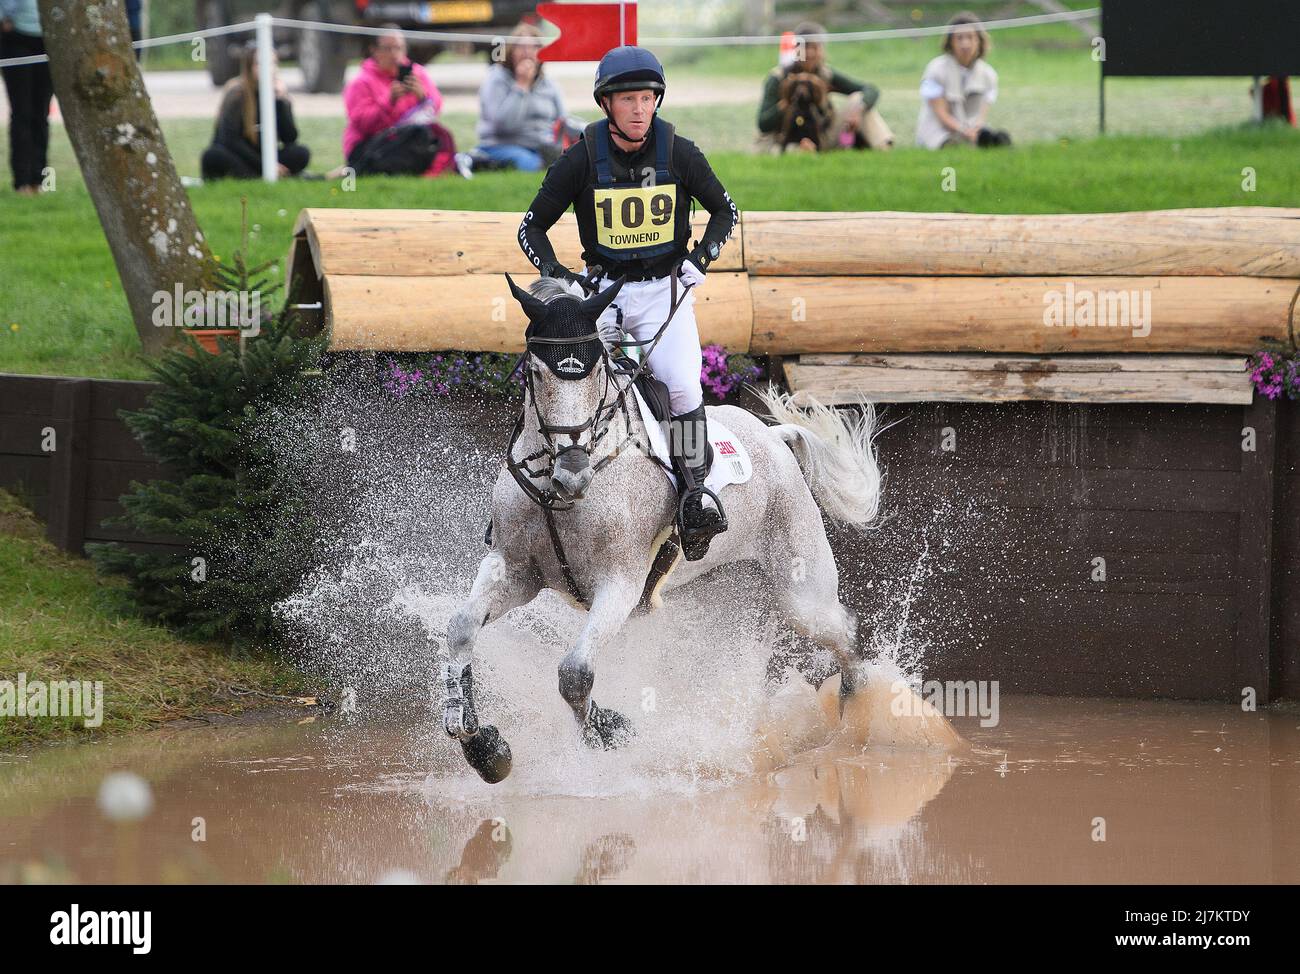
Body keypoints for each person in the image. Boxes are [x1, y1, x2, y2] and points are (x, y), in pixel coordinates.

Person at [517, 46, 739, 560]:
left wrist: (700, 259)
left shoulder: (680, 153)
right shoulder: (580, 159)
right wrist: (560, 278)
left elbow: (725, 212)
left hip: (664, 294)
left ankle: (694, 496)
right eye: (628, 99)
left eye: (647, 98)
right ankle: (522, 500)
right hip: (603, 300)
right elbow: (531, 227)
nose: (640, 109)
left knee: (682, 385)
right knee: (563, 381)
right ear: (606, 104)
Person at [756, 21, 894, 153]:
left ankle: (884, 150)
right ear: (796, 49)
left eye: (814, 47)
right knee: (794, 152)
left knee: (858, 99)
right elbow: (763, 124)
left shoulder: (825, 74)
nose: (809, 53)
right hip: (786, 139)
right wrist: (785, 103)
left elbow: (870, 89)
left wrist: (858, 110)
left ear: (822, 50)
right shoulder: (779, 77)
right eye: (805, 47)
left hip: (823, 135)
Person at [342, 26, 460, 178]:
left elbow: (435, 108)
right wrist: (389, 102)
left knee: (438, 134)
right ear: (374, 51)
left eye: (398, 48)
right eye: (388, 49)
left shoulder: (417, 73)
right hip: (370, 144)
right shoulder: (361, 82)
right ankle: (362, 167)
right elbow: (364, 124)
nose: (394, 54)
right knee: (418, 135)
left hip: (407, 140)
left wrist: (423, 97)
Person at [200, 43, 312, 180]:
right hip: (240, 157)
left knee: (301, 152)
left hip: (264, 156)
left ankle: (257, 175)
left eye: (272, 63)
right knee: (212, 156)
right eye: (261, 64)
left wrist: (282, 102)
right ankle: (263, 174)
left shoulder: (276, 95)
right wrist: (266, 166)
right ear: (249, 67)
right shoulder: (237, 94)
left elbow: (290, 138)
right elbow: (229, 141)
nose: (269, 69)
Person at [473, 22, 568, 172]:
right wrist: (521, 85)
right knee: (531, 164)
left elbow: (562, 121)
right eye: (521, 47)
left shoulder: (548, 84)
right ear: (511, 52)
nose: (527, 53)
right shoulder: (496, 79)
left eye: (533, 47)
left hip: (543, 146)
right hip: (502, 145)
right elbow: (503, 126)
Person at [916, 12, 1011, 150]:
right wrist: (962, 130)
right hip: (938, 129)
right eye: (959, 38)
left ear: (979, 41)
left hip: (971, 129)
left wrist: (974, 128)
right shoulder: (935, 70)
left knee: (990, 139)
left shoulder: (988, 74)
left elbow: (981, 114)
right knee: (951, 145)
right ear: (951, 42)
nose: (965, 43)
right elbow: (941, 113)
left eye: (970, 37)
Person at [0, 0, 52, 195]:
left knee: (41, 113)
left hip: (48, 38)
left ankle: (39, 181)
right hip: (15, 37)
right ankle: (21, 182)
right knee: (22, 112)